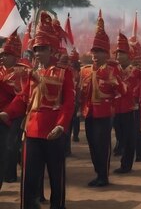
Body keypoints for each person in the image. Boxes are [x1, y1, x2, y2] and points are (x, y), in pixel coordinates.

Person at [0, 12, 74, 209]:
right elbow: (22, 98)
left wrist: (61, 125)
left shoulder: (63, 73)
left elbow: (68, 103)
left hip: (53, 131)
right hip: (32, 131)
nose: (38, 53)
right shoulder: (32, 73)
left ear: (51, 49)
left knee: (56, 175)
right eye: (36, 49)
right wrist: (8, 112)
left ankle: (57, 205)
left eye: (42, 49)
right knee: (30, 176)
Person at [79, 11, 124, 187]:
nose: (95, 55)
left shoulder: (112, 70)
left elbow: (123, 91)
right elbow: (81, 92)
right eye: (94, 51)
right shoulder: (85, 70)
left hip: (104, 113)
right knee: (92, 145)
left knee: (102, 146)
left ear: (106, 53)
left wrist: (114, 84)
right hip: (88, 112)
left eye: (99, 52)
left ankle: (103, 176)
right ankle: (98, 172)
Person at [0, 30, 29, 189]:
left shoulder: (21, 72)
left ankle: (11, 174)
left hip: (14, 116)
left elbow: (20, 94)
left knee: (11, 146)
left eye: (7, 54)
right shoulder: (1, 70)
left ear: (15, 56)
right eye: (3, 54)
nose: (3, 57)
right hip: (1, 116)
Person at [113, 32, 141, 174]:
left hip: (131, 108)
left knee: (130, 137)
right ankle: (122, 154)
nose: (119, 57)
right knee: (120, 135)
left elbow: (134, 89)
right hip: (115, 109)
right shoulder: (114, 70)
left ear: (128, 55)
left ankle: (126, 164)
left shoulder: (136, 71)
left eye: (122, 54)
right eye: (117, 54)